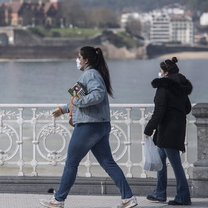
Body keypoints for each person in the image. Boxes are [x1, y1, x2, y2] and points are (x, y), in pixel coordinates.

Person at [39, 46, 137, 208]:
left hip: (89, 126)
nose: (77, 60)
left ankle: (58, 200)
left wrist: (76, 102)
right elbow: (82, 98)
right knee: (108, 163)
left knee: (71, 162)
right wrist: (63, 109)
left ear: (86, 60)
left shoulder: (90, 74)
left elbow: (96, 95)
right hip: (100, 125)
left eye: (79, 57)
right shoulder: (93, 74)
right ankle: (128, 197)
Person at [144, 57, 192, 206]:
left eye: (160, 70)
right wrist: (176, 114)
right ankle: (160, 193)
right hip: (176, 128)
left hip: (167, 130)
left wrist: (148, 129)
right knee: (161, 162)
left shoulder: (163, 88)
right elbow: (187, 108)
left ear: (165, 73)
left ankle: (183, 197)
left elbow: (159, 111)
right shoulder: (181, 87)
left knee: (176, 165)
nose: (159, 73)